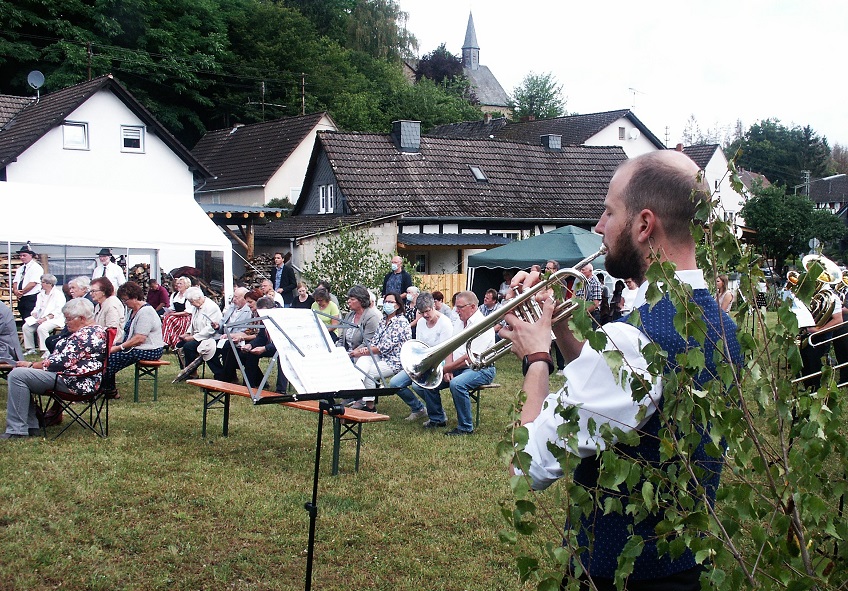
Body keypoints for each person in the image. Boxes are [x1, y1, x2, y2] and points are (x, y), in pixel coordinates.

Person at [499, 150, 743, 588]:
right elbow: (623, 397)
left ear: (644, 225)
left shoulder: (638, 339)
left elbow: (527, 465)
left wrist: (537, 360)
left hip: (618, 576)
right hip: (687, 566)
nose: (599, 226)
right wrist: (559, 325)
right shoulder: (722, 325)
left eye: (609, 212)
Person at [1, 298, 108, 439]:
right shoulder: (92, 331)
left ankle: (17, 430)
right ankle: (30, 425)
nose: (66, 322)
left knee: (18, 375)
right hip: (73, 378)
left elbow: (61, 362)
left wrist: (32, 365)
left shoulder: (86, 335)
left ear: (82, 318)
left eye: (69, 319)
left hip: (75, 382)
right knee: (19, 374)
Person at [417, 291, 496, 435]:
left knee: (457, 384)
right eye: (455, 307)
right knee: (429, 380)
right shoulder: (459, 322)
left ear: (472, 307)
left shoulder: (483, 325)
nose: (456, 311)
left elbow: (469, 358)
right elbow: (451, 347)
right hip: (459, 367)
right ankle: (437, 419)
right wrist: (449, 368)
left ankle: (465, 427)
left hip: (481, 369)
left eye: (460, 307)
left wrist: (446, 368)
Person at [389, 291, 454, 421]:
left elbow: (448, 349)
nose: (425, 315)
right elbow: (418, 347)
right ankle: (419, 408)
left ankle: (437, 413)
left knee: (418, 386)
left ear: (434, 306)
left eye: (427, 311)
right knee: (395, 383)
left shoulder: (445, 323)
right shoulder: (421, 323)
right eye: (421, 312)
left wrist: (448, 368)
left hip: (438, 362)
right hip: (423, 362)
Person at [101, 281, 164, 399]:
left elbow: (139, 338)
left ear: (135, 297)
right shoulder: (132, 311)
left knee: (111, 359)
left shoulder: (146, 312)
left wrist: (119, 348)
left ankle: (104, 389)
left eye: (126, 300)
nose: (125, 303)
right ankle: (109, 389)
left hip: (150, 349)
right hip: (137, 347)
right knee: (106, 356)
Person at [348, 291, 411, 411]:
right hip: (380, 356)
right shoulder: (383, 320)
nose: (387, 304)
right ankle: (357, 383)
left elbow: (385, 347)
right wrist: (363, 351)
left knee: (370, 373)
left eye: (391, 302)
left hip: (395, 360)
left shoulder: (401, 322)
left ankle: (369, 406)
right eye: (386, 301)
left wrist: (361, 351)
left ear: (397, 305)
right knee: (363, 360)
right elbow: (374, 341)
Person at [175, 287, 222, 376]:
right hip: (198, 335)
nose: (191, 304)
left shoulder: (211, 307)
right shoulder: (196, 306)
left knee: (189, 346)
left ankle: (192, 372)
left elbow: (210, 329)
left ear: (199, 298)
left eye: (192, 302)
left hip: (210, 337)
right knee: (180, 345)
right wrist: (187, 333)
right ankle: (187, 370)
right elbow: (193, 322)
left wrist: (194, 337)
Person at [22, 274, 66, 355]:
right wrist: (34, 313)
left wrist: (45, 319)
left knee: (42, 328)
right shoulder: (40, 294)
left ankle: (46, 350)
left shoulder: (58, 294)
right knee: (26, 327)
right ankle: (30, 349)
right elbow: (37, 307)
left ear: (49, 284)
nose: (41, 284)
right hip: (40, 318)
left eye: (42, 282)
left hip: (55, 319)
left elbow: (58, 311)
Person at [336, 285, 381, 354]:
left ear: (361, 301)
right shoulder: (349, 315)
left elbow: (367, 343)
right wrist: (338, 352)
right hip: (346, 354)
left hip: (361, 355)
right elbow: (342, 339)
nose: (348, 301)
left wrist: (350, 354)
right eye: (349, 299)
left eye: (352, 299)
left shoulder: (372, 317)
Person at [12, 244, 44, 321]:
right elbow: (15, 281)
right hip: (22, 298)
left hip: (31, 297)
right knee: (23, 316)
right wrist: (16, 291)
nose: (22, 257)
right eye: (20, 256)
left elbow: (33, 283)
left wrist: (21, 292)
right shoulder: (20, 269)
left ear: (30, 255)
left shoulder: (36, 268)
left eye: (24, 255)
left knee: (30, 319)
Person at [90, 277, 125, 342]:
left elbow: (112, 329)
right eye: (90, 291)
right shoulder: (98, 305)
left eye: (93, 291)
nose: (91, 294)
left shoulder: (112, 305)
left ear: (103, 291)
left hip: (112, 345)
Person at [161, 277, 193, 349]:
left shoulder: (188, 295)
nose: (178, 285)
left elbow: (187, 312)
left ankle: (169, 341)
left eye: (180, 284)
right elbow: (172, 308)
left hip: (186, 317)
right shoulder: (175, 295)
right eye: (177, 283)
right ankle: (168, 341)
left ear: (186, 285)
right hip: (176, 315)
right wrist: (167, 312)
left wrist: (173, 314)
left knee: (169, 319)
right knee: (166, 318)